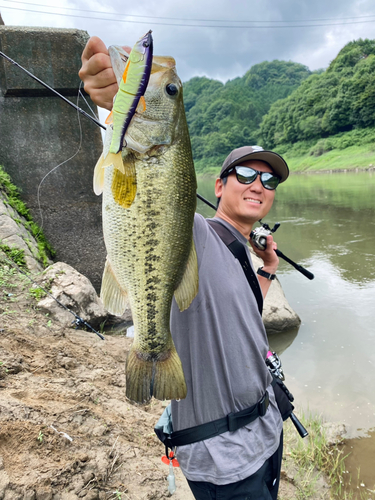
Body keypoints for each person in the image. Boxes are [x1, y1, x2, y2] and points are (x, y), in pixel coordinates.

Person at [79, 37, 289, 500]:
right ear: (217, 184)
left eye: (269, 178)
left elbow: (240, 318)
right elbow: (141, 193)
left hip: (268, 431)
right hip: (225, 457)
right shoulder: (197, 231)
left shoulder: (240, 250)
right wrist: (115, 106)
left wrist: (267, 269)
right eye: (247, 174)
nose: (260, 184)